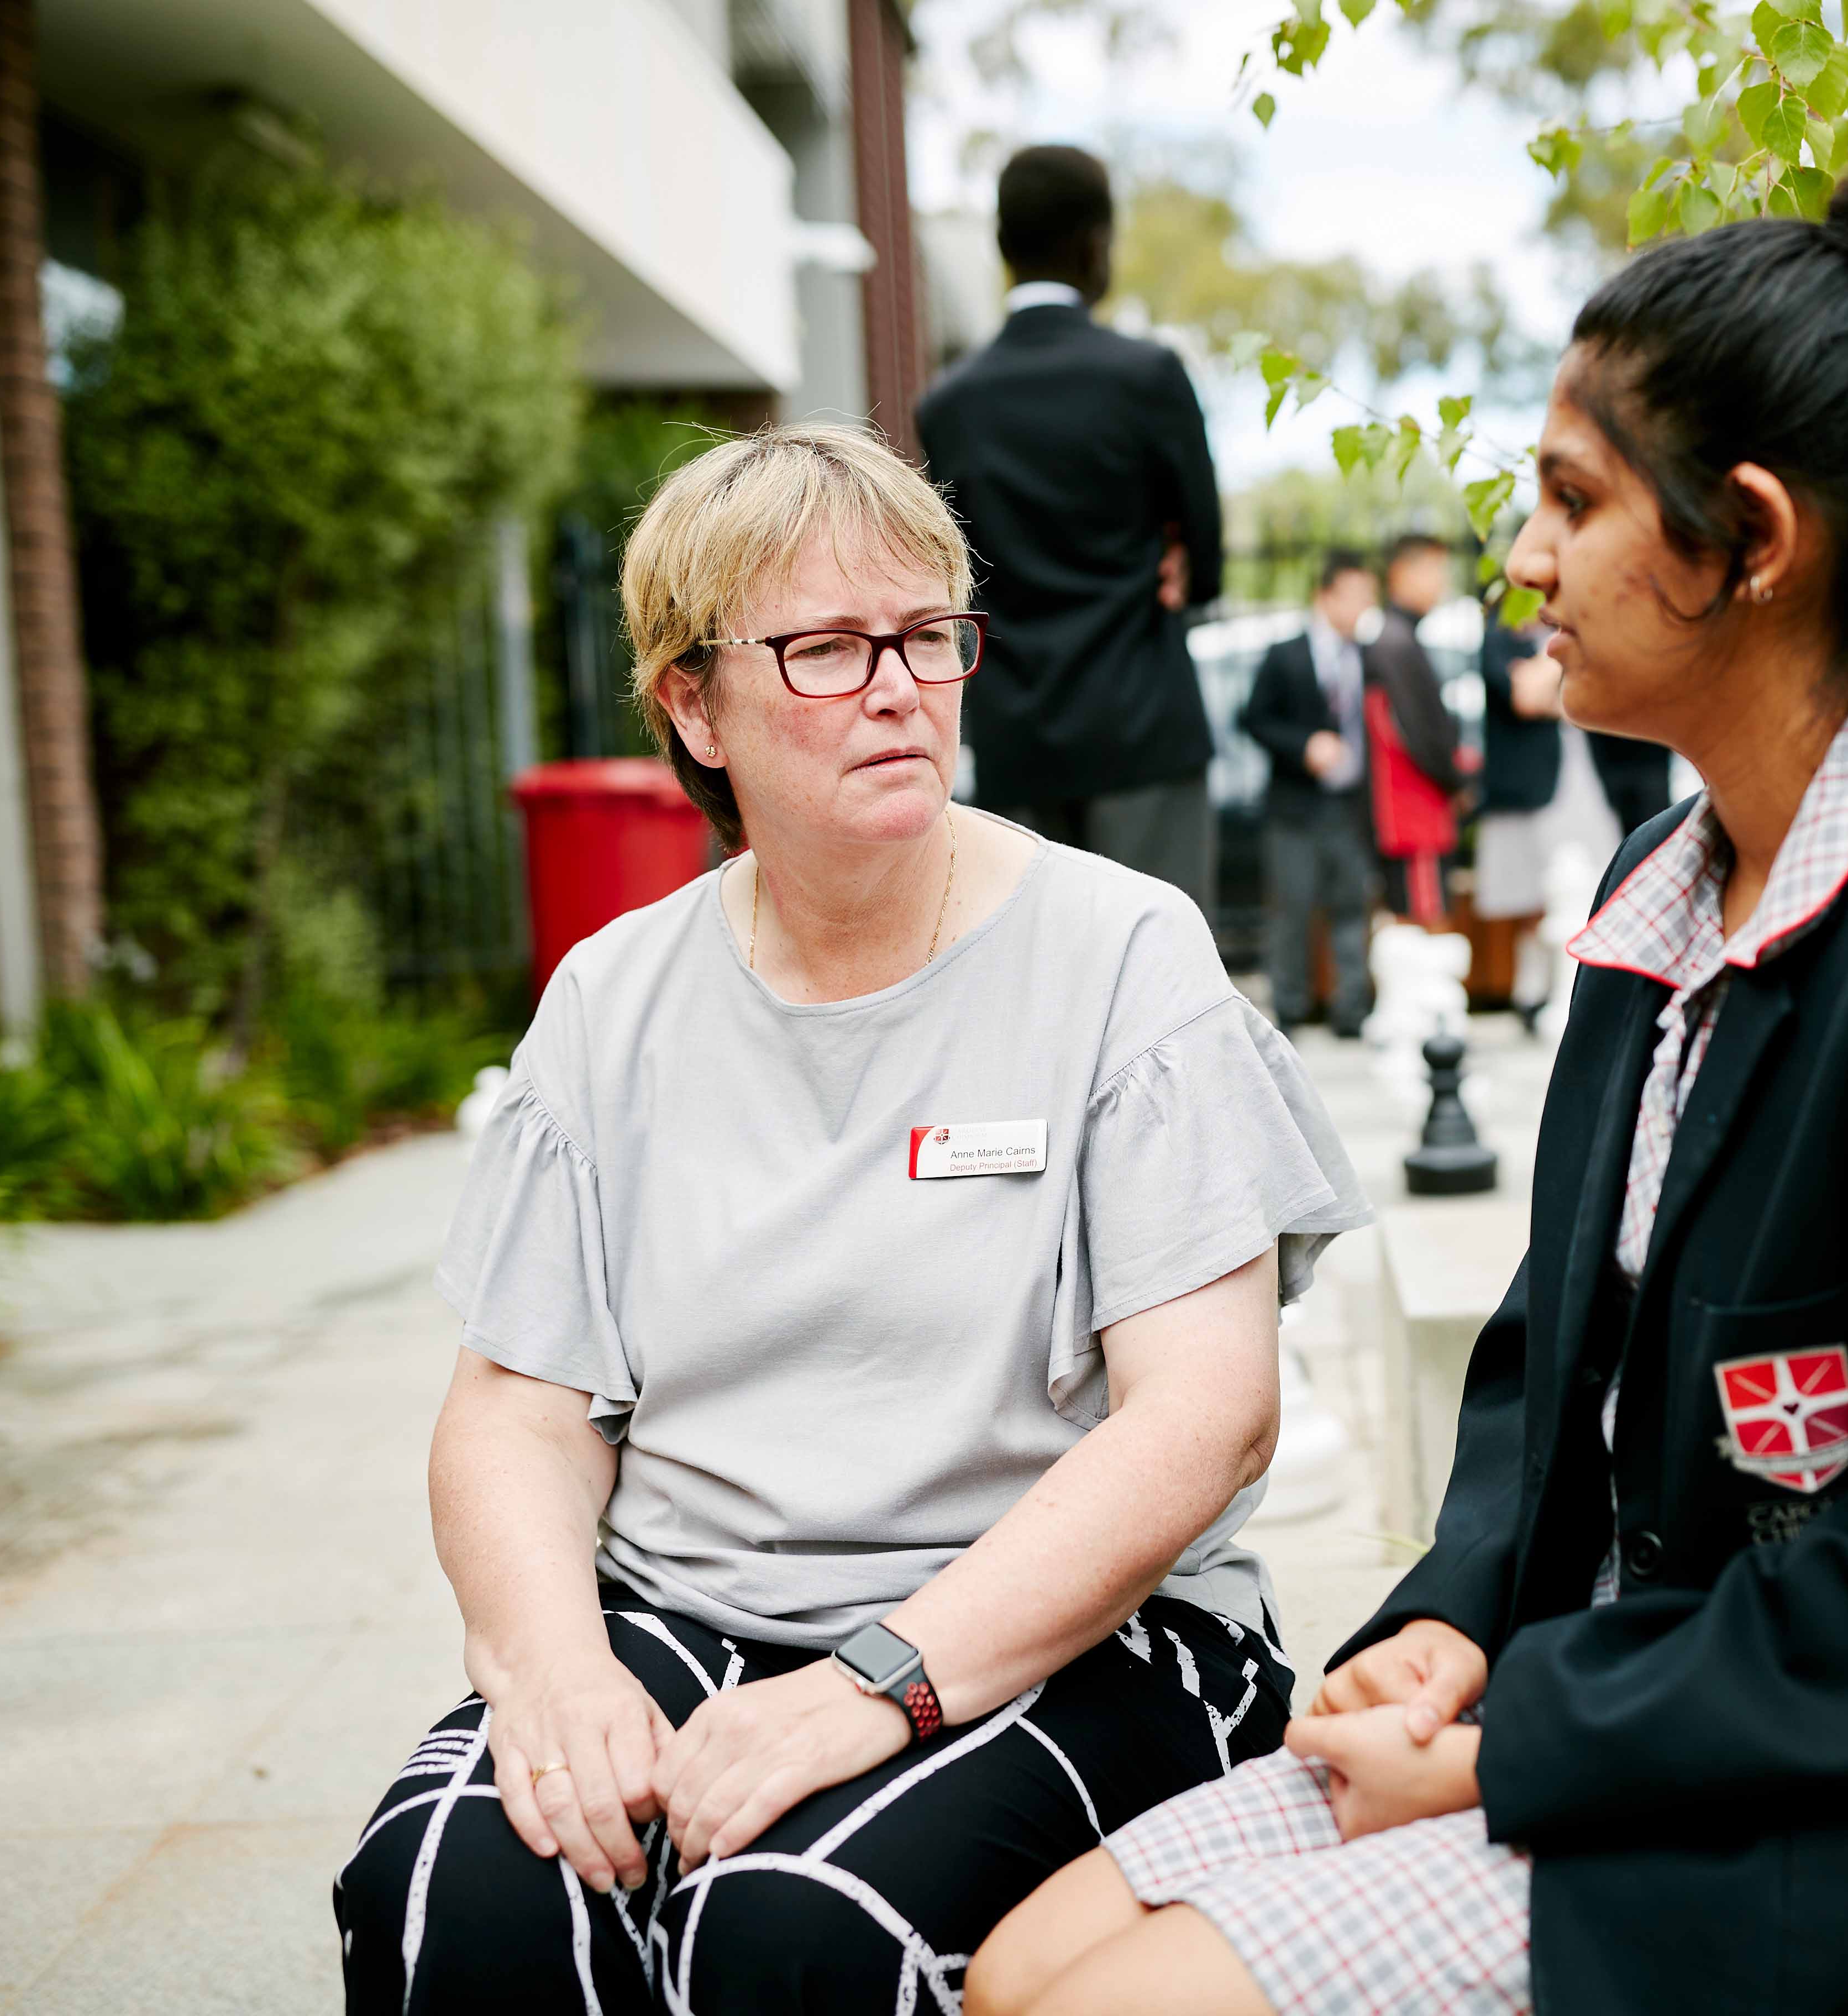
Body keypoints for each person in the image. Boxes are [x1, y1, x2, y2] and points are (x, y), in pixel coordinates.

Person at [967, 151, 1848, 2016]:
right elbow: (1538, 1388)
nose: (1522, 564)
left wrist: (1520, 1742)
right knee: (1021, 1963)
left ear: (1748, 536)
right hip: (1656, 1714)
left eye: (1569, 501)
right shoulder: (1663, 909)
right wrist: (1444, 1631)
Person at [334, 424, 1371, 2015]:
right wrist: (552, 1669)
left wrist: (879, 1682)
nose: (897, 688)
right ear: (692, 702)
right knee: (460, 1897)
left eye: (926, 637)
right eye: (824, 648)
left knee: (795, 1928)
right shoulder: (614, 1001)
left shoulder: (1122, 959)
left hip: (1085, 1634)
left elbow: (1207, 1418)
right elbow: (516, 1415)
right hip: (692, 1606)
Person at [915, 145, 1225, 908]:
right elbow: (1209, 565)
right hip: (1145, 731)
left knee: (1037, 995)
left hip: (1019, 745)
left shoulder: (949, 405)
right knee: (1167, 992)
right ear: (1098, 245)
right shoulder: (1149, 377)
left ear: (1002, 248)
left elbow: (952, 573)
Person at [1238, 552, 1381, 1036]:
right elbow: (1253, 719)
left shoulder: (1370, 656)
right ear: (1326, 596)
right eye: (1354, 595)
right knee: (1292, 910)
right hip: (1295, 805)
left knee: (1352, 905)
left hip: (1352, 805)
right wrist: (1304, 747)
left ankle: (1352, 1011)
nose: (1363, 606)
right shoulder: (1287, 654)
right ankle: (1291, 1009)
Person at [1476, 607, 1621, 1019]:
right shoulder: (1500, 633)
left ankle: (1568, 989)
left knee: (1582, 884)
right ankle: (1531, 990)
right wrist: (1559, 654)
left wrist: (1543, 671)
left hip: (1576, 778)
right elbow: (1524, 698)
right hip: (1529, 783)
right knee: (1529, 891)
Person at [1361, 532, 1468, 921]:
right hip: (1415, 811)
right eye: (1433, 571)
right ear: (1400, 573)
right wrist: (1457, 780)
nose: (1441, 582)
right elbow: (1419, 734)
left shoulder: (1397, 638)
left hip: (1416, 810)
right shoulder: (1395, 643)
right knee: (1423, 926)